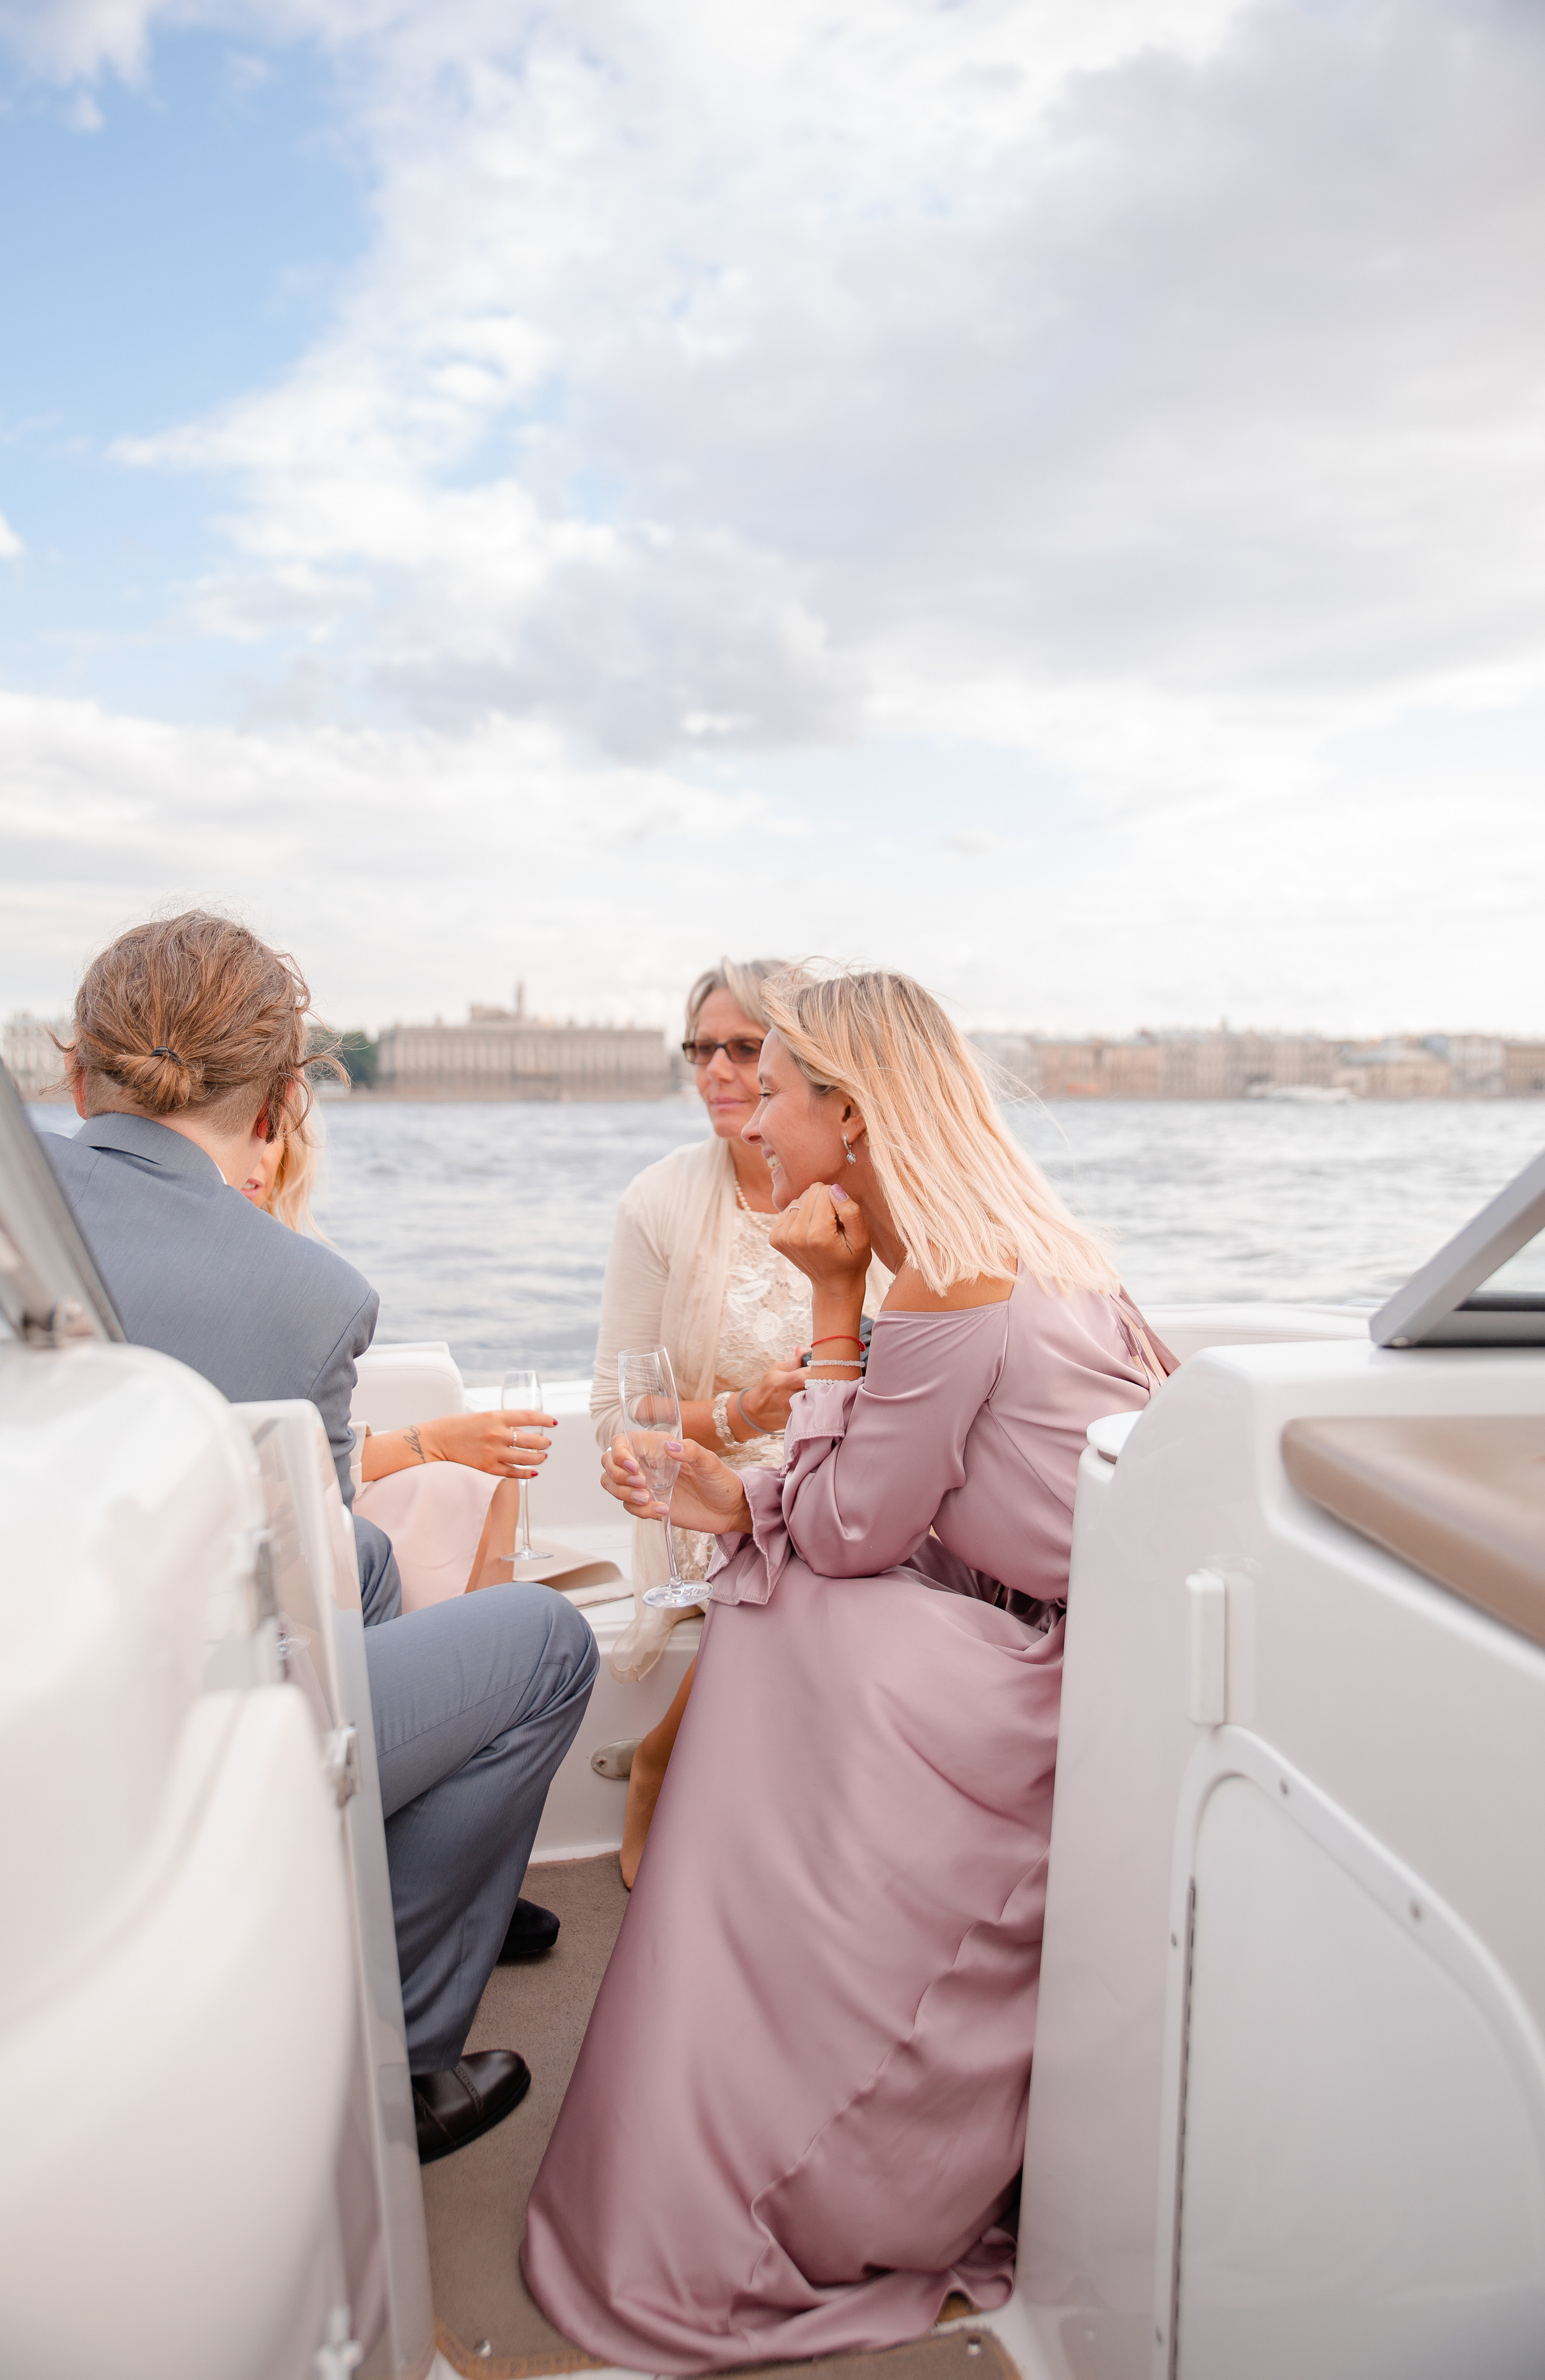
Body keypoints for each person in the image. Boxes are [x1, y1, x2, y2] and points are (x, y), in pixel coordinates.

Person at [523, 967, 1176, 2371]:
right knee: (779, 1588)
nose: (751, 1110)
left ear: (851, 1113)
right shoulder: (1027, 1241)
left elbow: (850, 1523)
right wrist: (734, 1496)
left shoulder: (947, 1270)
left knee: (783, 1615)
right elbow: (886, 1496)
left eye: (778, 1088)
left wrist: (827, 1305)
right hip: (1075, 1637)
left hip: (1049, 1670)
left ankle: (775, 2092)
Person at [45, 911, 599, 2164]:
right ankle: (386, 2068)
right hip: (177, 1734)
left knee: (375, 1559)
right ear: (285, 1106)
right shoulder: (311, 1296)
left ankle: (383, 1887)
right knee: (548, 1642)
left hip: (42, 1678)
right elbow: (303, 1604)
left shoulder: (3, 1221)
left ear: (76, 1077)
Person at [591, 958, 888, 1885]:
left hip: (849, 1459)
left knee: (839, 1544)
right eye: (700, 1049)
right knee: (790, 1554)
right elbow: (614, 1411)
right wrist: (735, 1412)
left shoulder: (865, 1188)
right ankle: (663, 1763)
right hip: (708, 1484)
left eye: (745, 1051)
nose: (718, 1072)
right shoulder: (660, 1202)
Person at [242, 1098, 542, 1608]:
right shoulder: (280, 1282)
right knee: (466, 1487)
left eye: (268, 1133)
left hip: (303, 1492)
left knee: (483, 1482)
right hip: (270, 1511)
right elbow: (285, 1461)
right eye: (238, 1129)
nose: (255, 1156)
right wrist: (440, 1439)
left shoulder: (297, 1273)